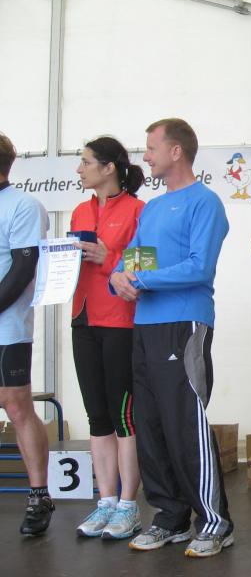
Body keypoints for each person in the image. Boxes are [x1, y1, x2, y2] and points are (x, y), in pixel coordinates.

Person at [110, 118, 232, 558]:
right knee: (151, 424)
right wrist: (118, 278)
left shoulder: (205, 202)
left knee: (185, 423)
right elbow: (130, 261)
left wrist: (141, 280)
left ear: (175, 151)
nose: (145, 156)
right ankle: (170, 515)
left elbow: (200, 267)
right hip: (145, 327)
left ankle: (215, 521)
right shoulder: (154, 208)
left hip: (185, 324)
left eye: (151, 148)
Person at [71, 137, 145, 539]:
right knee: (96, 416)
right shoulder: (80, 210)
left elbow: (142, 269)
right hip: (82, 318)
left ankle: (129, 505)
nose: (79, 169)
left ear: (109, 167)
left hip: (119, 321)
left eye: (86, 162)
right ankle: (106, 501)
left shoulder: (137, 210)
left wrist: (108, 259)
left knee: (122, 417)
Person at [0, 131, 52, 536]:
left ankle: (38, 495)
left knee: (16, 408)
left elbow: (21, 270)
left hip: (8, 328)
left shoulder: (23, 206)